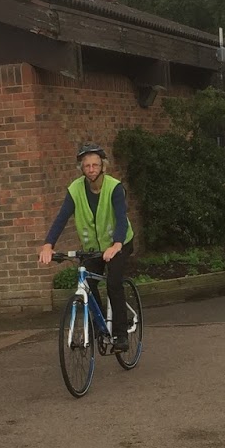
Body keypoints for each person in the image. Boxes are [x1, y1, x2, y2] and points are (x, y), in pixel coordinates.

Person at [38, 143, 135, 351]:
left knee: (113, 284)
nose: (91, 169)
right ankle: (99, 326)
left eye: (95, 165)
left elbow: (120, 218)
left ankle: (120, 335)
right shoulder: (75, 190)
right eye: (87, 166)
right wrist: (48, 245)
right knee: (87, 284)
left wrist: (116, 244)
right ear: (82, 168)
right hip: (93, 247)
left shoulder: (115, 187)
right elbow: (61, 218)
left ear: (103, 166)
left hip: (120, 242)